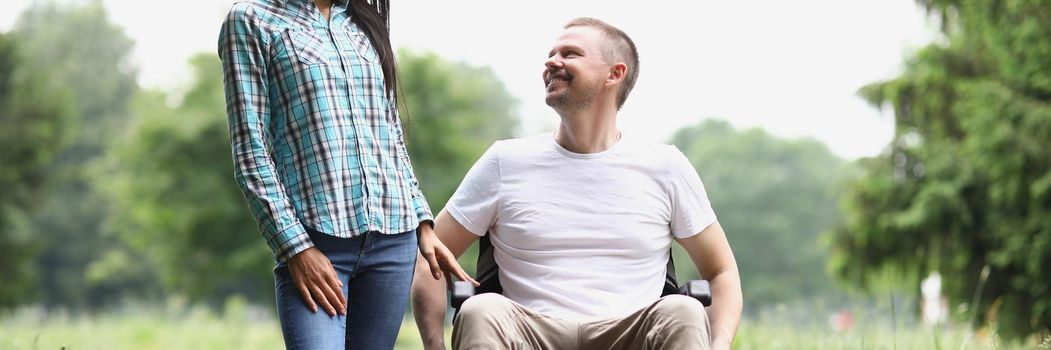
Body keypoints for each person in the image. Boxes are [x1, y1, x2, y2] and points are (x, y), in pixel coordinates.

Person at [411, 17, 743, 350]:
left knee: (682, 310)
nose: (551, 62)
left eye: (570, 54)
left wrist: (720, 344)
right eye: (551, 53)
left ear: (614, 73)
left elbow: (721, 271)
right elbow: (432, 256)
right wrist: (434, 345)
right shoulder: (505, 161)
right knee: (481, 308)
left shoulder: (666, 167)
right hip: (530, 330)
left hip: (630, 331)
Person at [218, 0, 472, 348]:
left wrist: (422, 222)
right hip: (317, 245)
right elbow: (250, 151)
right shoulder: (252, 20)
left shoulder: (362, 21)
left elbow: (391, 135)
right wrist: (295, 249)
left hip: (393, 242)